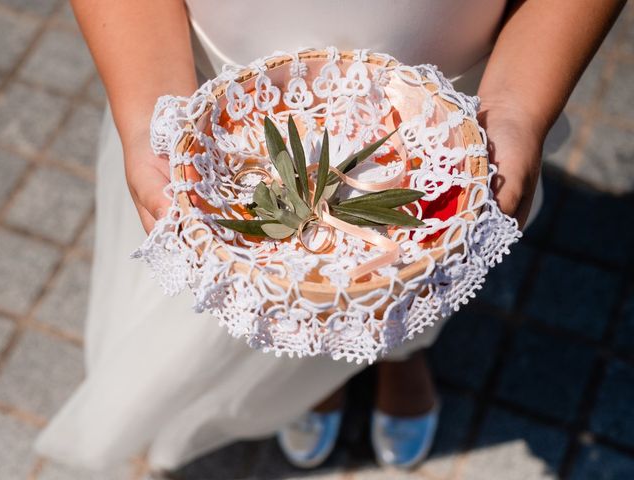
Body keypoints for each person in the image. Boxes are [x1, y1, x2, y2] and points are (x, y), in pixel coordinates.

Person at [34, 0, 625, 475]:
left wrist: (516, 108)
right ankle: (315, 381)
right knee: (273, 293)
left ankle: (401, 354)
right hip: (225, 123)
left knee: (412, 273)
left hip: (441, 117)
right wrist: (149, 115)